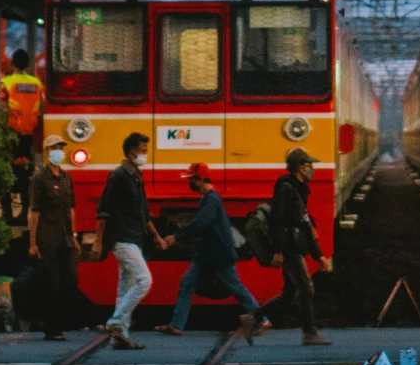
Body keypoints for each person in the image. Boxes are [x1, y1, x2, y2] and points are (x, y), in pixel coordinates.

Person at [159, 163, 269, 338]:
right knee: (187, 283)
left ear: (200, 179)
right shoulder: (207, 198)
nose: (190, 183)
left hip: (219, 255)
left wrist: (176, 237)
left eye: (192, 179)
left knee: (236, 287)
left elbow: (201, 223)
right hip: (206, 254)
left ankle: (263, 319)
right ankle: (177, 325)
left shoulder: (212, 199)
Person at [94, 130, 157, 350]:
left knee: (125, 288)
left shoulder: (136, 175)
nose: (146, 154)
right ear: (132, 153)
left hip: (135, 237)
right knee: (144, 280)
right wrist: (97, 241)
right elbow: (104, 210)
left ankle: (119, 338)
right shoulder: (118, 176)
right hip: (121, 238)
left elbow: (144, 211)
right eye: (143, 151)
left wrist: (155, 235)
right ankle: (115, 322)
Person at [268, 147, 333, 346]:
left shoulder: (296, 189)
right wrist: (278, 249)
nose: (311, 169)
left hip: (293, 245)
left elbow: (304, 222)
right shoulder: (287, 189)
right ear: (298, 167)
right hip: (290, 247)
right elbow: (277, 221)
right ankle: (310, 333)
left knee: (290, 293)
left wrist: (318, 255)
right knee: (306, 288)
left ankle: (253, 317)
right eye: (308, 165)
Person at [28, 134, 84, 341]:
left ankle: (57, 320)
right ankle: (52, 327)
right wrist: (32, 243)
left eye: (60, 147)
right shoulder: (39, 178)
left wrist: (75, 235)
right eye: (54, 148)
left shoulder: (66, 177)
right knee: (52, 282)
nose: (58, 151)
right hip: (47, 236)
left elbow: (72, 208)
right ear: (46, 152)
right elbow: (34, 211)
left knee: (70, 280)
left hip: (66, 236)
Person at [0, 48, 45, 225]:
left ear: (12, 63)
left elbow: (3, 107)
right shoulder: (36, 83)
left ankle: (7, 214)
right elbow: (41, 107)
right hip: (29, 134)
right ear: (28, 64)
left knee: (5, 173)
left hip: (11, 133)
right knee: (25, 174)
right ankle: (25, 213)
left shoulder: (6, 81)